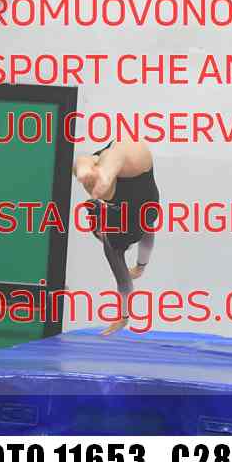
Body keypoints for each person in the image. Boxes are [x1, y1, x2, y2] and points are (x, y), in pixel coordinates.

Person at [74, 139, 160, 336]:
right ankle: (88, 169)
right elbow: (124, 283)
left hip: (140, 167)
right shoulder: (112, 240)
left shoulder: (142, 222)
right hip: (123, 160)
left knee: (99, 165)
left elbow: (125, 282)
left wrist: (140, 267)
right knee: (93, 165)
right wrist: (140, 267)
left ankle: (90, 169)